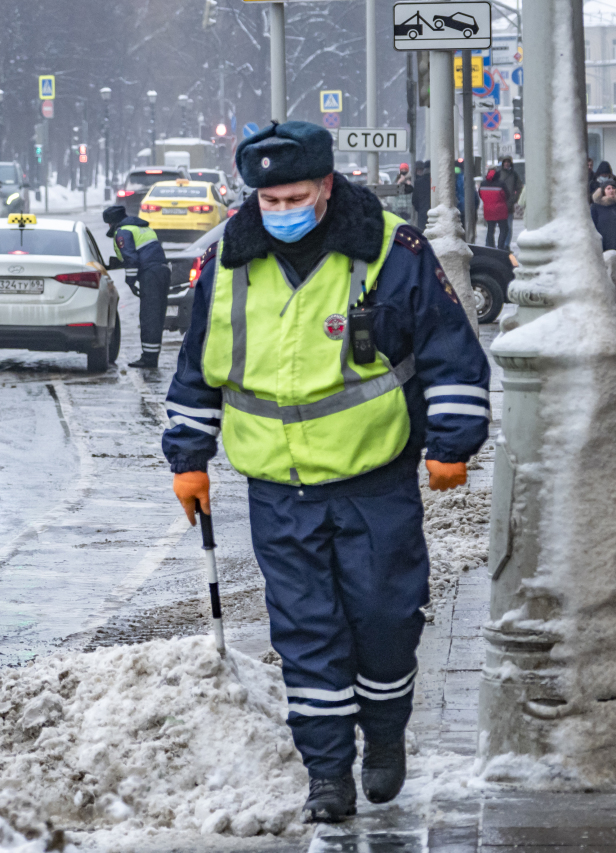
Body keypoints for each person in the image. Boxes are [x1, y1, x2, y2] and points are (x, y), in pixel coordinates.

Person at [162, 120, 490, 823]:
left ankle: (384, 735)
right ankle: (328, 774)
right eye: (269, 198)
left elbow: (447, 346)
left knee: (384, 617)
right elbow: (197, 367)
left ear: (327, 186)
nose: (280, 210)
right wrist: (188, 457)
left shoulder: (389, 250)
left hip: (374, 478)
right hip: (279, 489)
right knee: (306, 632)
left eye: (294, 195)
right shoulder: (227, 261)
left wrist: (453, 443)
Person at [103, 204, 170, 368]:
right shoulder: (141, 228)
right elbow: (142, 253)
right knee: (156, 315)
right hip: (162, 271)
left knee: (149, 316)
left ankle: (148, 359)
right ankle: (151, 356)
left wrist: (130, 281)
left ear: (112, 223)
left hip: (151, 274)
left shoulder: (123, 232)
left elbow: (132, 259)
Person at [479, 169, 511, 250]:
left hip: (488, 210)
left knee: (490, 229)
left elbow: (480, 195)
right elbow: (507, 195)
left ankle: (491, 247)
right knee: (504, 229)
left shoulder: (483, 184)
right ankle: (500, 247)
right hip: (500, 210)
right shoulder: (501, 184)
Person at [591, 183, 616, 252]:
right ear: (603, 192)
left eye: (613, 188)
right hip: (604, 245)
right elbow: (593, 225)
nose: (611, 190)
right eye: (608, 188)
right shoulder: (595, 207)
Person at [411, 161, 431, 228]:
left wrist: (420, 209)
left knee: (422, 232)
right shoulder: (436, 181)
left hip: (422, 213)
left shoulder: (418, 182)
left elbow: (414, 200)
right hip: (436, 212)